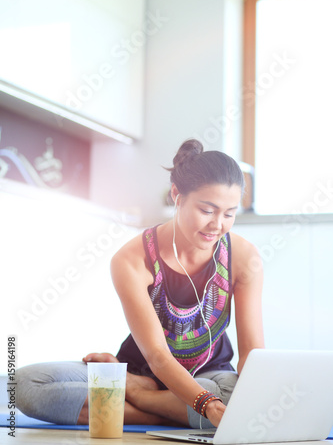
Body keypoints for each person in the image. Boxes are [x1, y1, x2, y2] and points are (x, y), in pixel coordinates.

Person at [15, 139, 264, 429]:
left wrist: (251, 398)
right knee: (26, 386)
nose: (217, 225)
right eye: (207, 210)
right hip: (143, 370)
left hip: (211, 376)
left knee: (234, 395)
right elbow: (158, 356)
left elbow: (251, 354)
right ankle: (172, 410)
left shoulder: (244, 258)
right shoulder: (132, 259)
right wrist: (207, 405)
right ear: (177, 195)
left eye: (229, 213)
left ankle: (140, 399)